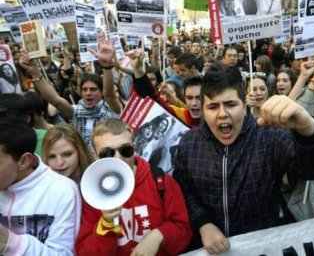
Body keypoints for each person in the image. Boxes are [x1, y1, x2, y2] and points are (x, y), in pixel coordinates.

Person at [173, 62, 314, 254]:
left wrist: (308, 128)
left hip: (262, 247)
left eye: (230, 104)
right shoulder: (189, 143)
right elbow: (184, 189)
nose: (222, 114)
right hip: (209, 249)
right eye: (213, 106)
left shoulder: (270, 137)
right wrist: (203, 223)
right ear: (203, 110)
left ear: (244, 105)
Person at [75, 118, 192, 255]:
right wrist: (106, 226)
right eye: (107, 153)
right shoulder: (91, 193)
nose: (118, 159)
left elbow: (184, 233)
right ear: (95, 156)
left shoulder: (160, 181)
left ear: (134, 148)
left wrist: (159, 235)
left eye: (125, 150)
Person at [0, 112, 81, 255]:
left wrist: (10, 243)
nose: (60, 162)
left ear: (24, 161)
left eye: (67, 154)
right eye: (52, 156)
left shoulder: (62, 191)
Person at [19, 36, 121, 148]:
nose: (88, 93)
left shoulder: (111, 109)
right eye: (84, 89)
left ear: (101, 92)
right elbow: (55, 100)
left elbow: (110, 94)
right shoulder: (76, 112)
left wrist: (107, 66)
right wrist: (35, 73)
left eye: (93, 89)